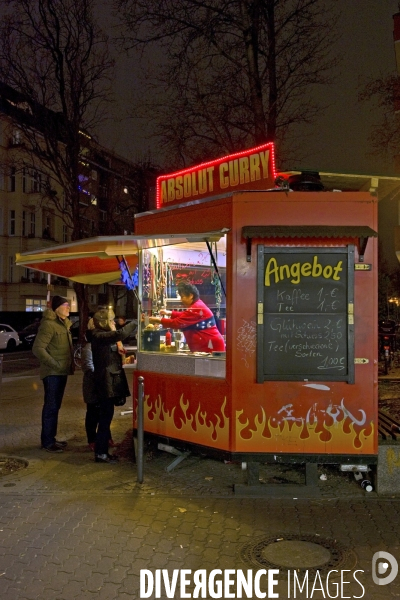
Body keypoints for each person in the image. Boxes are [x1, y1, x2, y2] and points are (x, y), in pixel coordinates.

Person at [90, 308, 137, 463]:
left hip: (109, 380)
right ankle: (101, 453)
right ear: (103, 323)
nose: (113, 323)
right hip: (105, 382)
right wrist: (136, 322)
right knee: (105, 417)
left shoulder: (101, 336)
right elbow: (119, 334)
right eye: (110, 320)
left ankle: (102, 451)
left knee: (106, 416)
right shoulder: (98, 335)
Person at [32, 295, 74, 452]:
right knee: (51, 407)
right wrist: (54, 364)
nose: (68, 307)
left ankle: (51, 438)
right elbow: (37, 348)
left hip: (60, 371)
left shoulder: (63, 324)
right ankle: (47, 442)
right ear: (57, 308)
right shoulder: (49, 325)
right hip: (52, 373)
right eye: (65, 305)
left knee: (55, 407)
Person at [149, 282, 225, 353]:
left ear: (191, 295)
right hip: (208, 346)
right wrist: (170, 313)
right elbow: (186, 316)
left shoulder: (196, 307)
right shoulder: (197, 306)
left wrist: (157, 320)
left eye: (183, 297)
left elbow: (176, 323)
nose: (181, 300)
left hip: (211, 347)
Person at [81, 319, 115, 451]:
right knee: (93, 413)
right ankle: (92, 440)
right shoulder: (89, 347)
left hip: (102, 384)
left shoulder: (103, 344)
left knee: (104, 413)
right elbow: (88, 367)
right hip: (93, 386)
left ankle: (106, 437)